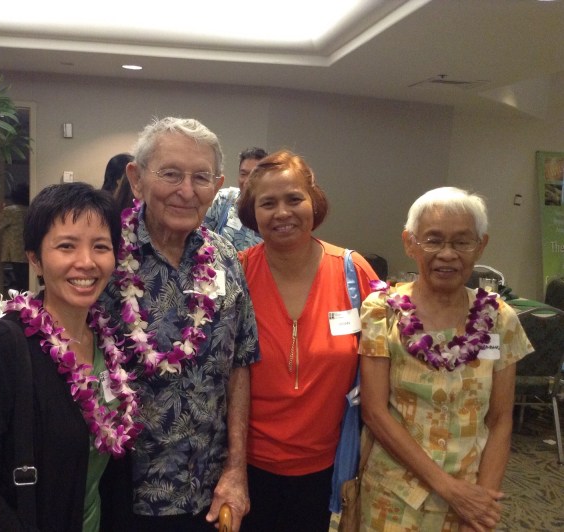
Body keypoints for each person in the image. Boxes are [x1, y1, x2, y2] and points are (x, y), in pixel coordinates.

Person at [0, 182, 138, 531]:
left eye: (101, 247)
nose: (86, 262)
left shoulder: (111, 346)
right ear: (35, 259)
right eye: (66, 246)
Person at [100, 117, 260, 532]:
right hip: (119, 490)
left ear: (218, 185)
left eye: (201, 178)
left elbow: (240, 365)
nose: (186, 191)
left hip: (207, 491)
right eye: (170, 174)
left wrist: (236, 469)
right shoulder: (103, 255)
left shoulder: (226, 258)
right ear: (136, 179)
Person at [359, 186, 533, 531]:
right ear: (410, 243)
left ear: (480, 245)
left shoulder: (500, 319)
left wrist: (482, 504)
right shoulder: (381, 311)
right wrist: (450, 490)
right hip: (392, 497)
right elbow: (375, 412)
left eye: (462, 242)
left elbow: (500, 420)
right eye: (433, 240)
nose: (447, 254)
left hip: (471, 496)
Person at [236, 150, 378, 532]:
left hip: (328, 466)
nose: (282, 212)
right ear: (252, 213)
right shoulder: (236, 273)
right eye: (268, 203)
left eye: (294, 198)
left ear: (313, 202)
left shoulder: (353, 272)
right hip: (246, 468)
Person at [204, 147, 267, 251]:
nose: (247, 181)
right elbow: (200, 237)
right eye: (243, 174)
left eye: (255, 175)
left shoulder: (271, 211)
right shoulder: (223, 199)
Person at [0, 182, 29, 294]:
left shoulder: (10, 210)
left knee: (18, 280)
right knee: (26, 281)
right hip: (27, 249)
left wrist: (2, 209)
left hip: (15, 251)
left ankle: (19, 300)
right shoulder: (30, 210)